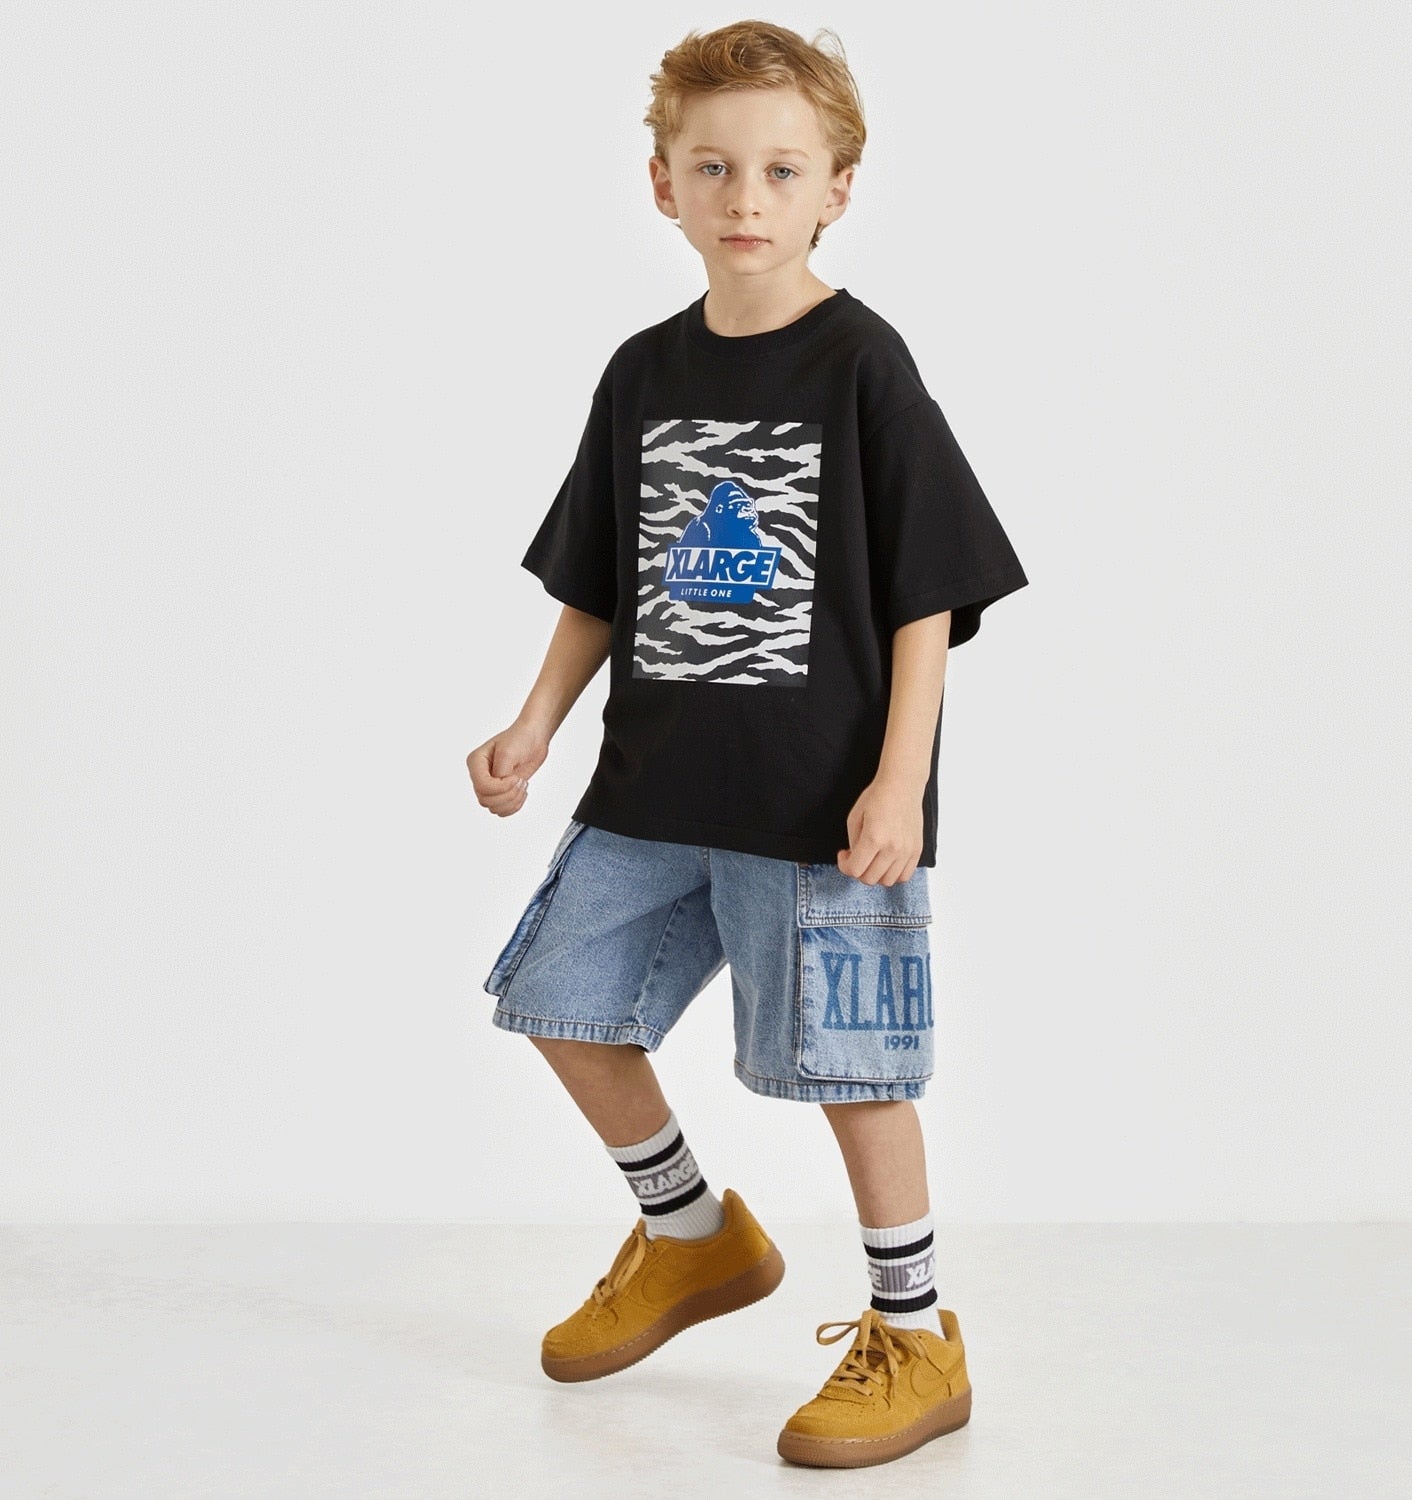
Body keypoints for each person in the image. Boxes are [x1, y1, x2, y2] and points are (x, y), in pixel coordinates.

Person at [466, 19, 1028, 1469]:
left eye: (782, 169)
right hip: (652, 790)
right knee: (558, 997)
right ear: (662, 184)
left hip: (818, 803)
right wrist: (534, 723)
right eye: (712, 167)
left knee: (856, 1066)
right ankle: (691, 1235)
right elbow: (602, 579)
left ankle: (916, 1332)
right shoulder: (641, 372)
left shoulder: (862, 365)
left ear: (837, 186)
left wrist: (899, 781)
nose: (745, 197)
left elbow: (927, 594)